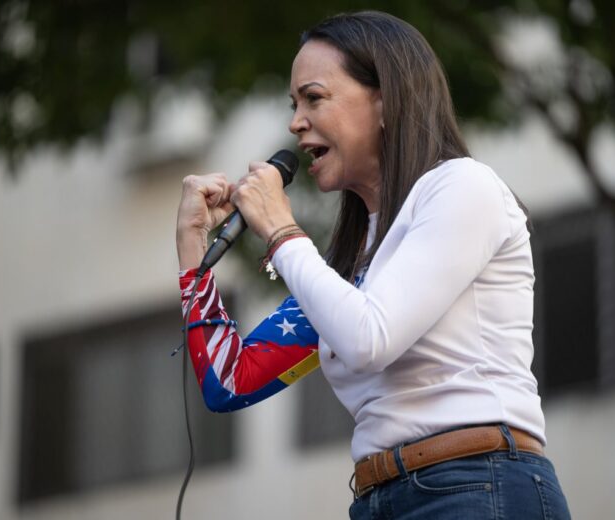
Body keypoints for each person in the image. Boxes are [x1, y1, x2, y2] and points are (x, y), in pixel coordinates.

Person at [176, 10, 571, 520]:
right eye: (294, 104)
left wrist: (279, 231)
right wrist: (192, 246)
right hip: (379, 499)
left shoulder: (462, 186)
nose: (295, 123)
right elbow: (231, 381)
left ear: (386, 100)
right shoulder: (351, 264)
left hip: (477, 485)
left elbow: (369, 339)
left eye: (314, 97)